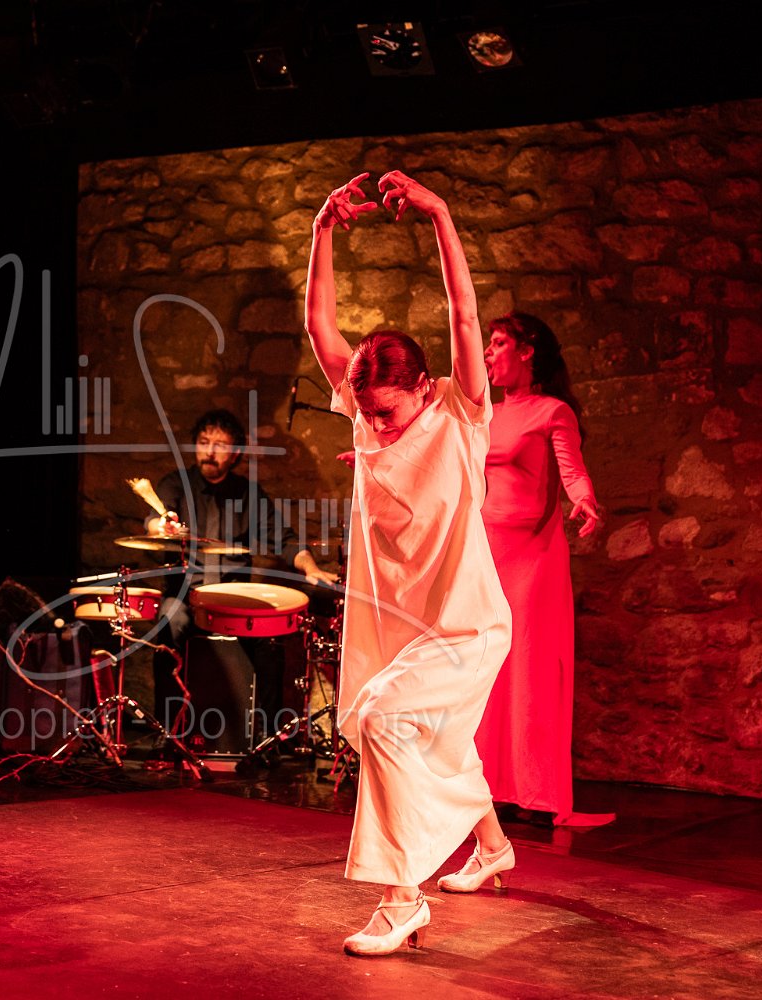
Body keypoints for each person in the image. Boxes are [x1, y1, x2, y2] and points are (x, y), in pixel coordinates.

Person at [304, 170, 514, 957]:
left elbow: (463, 313)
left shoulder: (462, 414)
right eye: (366, 414)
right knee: (416, 740)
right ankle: (492, 846)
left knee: (385, 721)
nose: (377, 428)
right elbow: (320, 325)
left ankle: (401, 900)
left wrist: (440, 215)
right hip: (396, 624)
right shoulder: (365, 416)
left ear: (424, 388)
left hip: (465, 627)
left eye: (387, 413)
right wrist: (322, 231)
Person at [476, 312, 610, 827]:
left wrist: (585, 501)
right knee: (489, 670)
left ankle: (537, 794)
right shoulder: (485, 414)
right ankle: (490, 789)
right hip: (488, 552)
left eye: (498, 343)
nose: (488, 353)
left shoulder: (553, 411)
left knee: (530, 671)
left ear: (527, 351)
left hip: (532, 557)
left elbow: (572, 470)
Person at [142, 409, 338, 734]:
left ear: (235, 453)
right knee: (169, 622)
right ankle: (168, 732)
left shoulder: (249, 494)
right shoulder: (176, 483)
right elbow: (154, 520)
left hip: (232, 599)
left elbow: (285, 540)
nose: (210, 451)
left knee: (270, 641)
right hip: (185, 594)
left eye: (220, 445)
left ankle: (268, 736)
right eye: (204, 442)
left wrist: (311, 567)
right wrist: (161, 526)